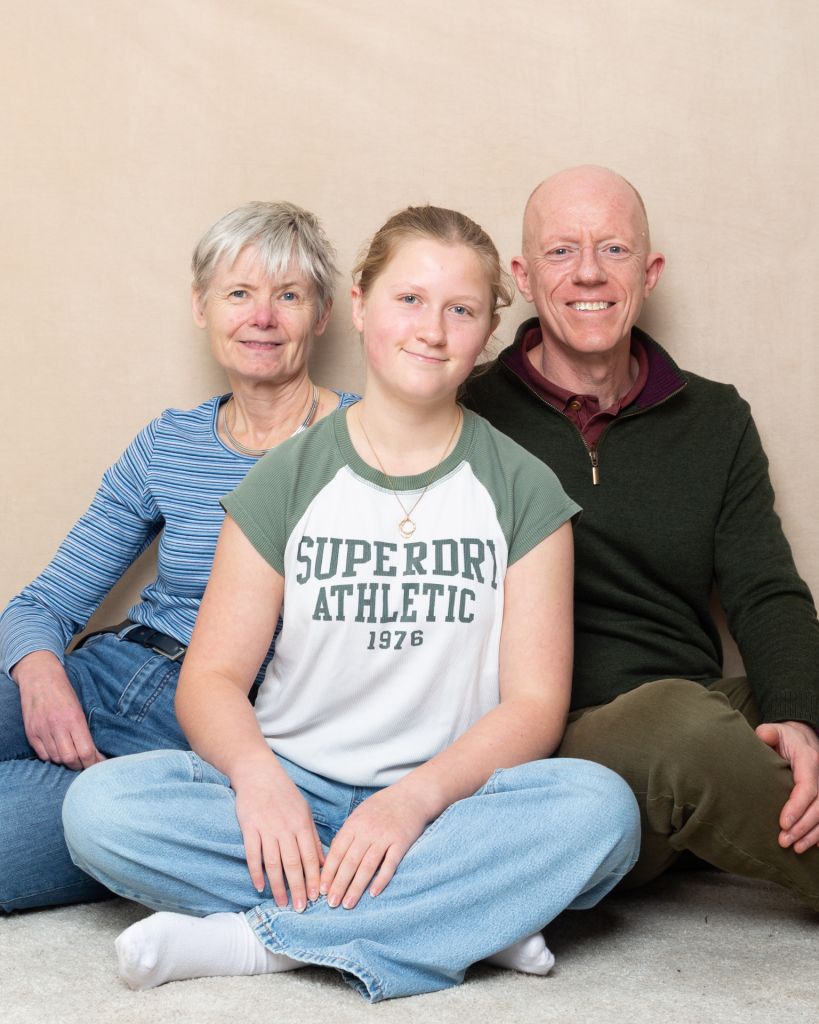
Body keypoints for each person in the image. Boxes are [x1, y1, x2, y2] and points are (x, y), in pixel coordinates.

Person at [62, 205, 640, 1001]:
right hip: (294, 789)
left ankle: (259, 943)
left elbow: (536, 703)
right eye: (408, 299)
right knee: (100, 810)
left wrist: (411, 802)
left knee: (600, 813)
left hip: (448, 805)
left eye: (460, 310)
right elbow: (212, 678)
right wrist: (260, 781)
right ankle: (464, 917)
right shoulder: (284, 478)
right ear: (362, 304)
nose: (431, 330)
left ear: (484, 335)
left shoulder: (522, 488)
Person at [463, 165, 819, 909]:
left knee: (749, 708)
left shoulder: (715, 418)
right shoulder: (469, 415)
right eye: (561, 252)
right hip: (559, 741)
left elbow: (765, 592)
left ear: (649, 272)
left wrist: (802, 723)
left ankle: (718, 798)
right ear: (524, 277)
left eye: (613, 250)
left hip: (699, 709)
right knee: (680, 727)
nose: (588, 272)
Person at [0, 201, 359, 913]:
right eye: (238, 293)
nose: (261, 317)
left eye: (287, 295)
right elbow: (42, 603)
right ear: (202, 307)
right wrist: (39, 672)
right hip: (105, 672)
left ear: (321, 315)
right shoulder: (169, 443)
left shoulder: (364, 445)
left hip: (206, 732)